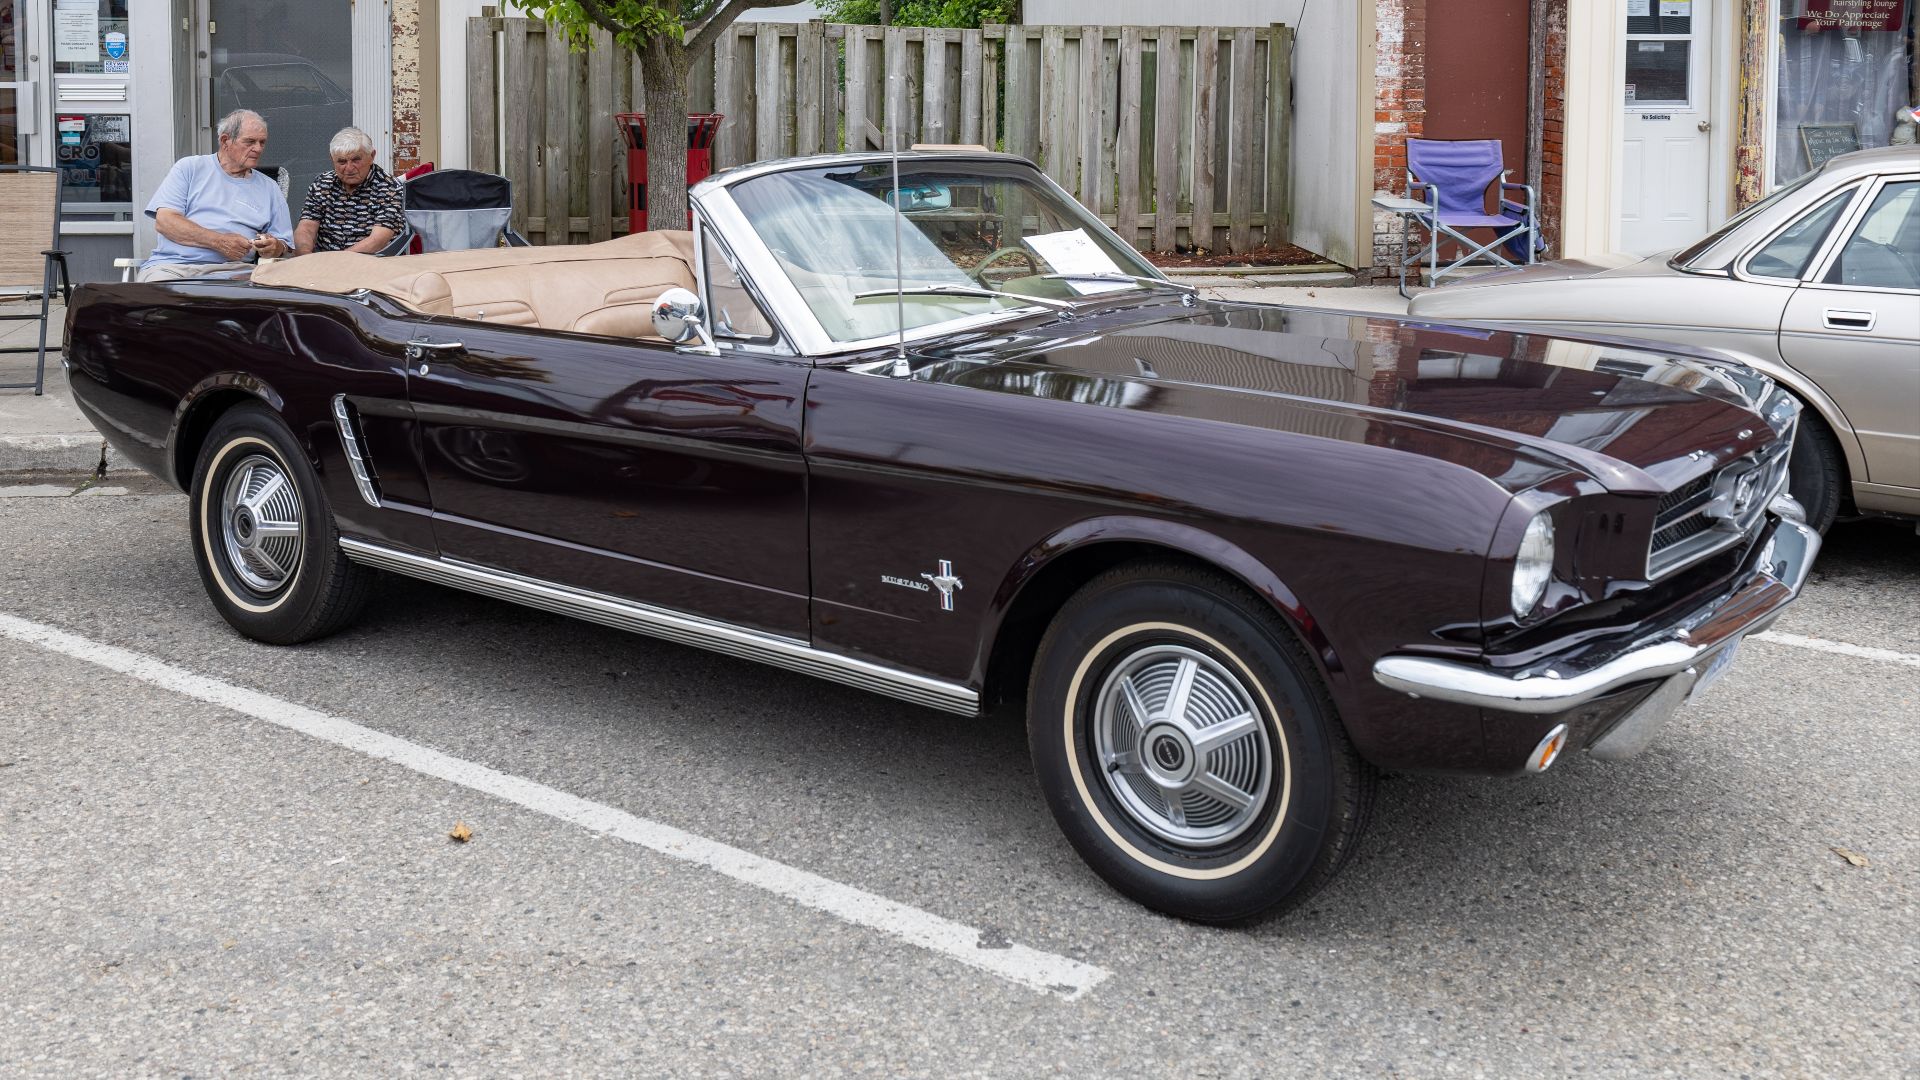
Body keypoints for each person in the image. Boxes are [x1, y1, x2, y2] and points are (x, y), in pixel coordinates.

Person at [139, 110, 292, 282]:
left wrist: (275, 246)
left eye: (262, 142)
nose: (258, 148)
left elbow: (284, 244)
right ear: (225, 141)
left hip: (236, 272)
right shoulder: (190, 168)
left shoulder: (270, 187)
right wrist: (219, 242)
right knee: (160, 300)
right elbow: (165, 222)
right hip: (174, 267)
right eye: (250, 142)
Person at [294, 128, 406, 256]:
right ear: (332, 159)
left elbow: (377, 240)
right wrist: (305, 256)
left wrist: (336, 262)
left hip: (373, 265)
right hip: (323, 264)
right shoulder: (322, 183)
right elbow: (306, 227)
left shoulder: (390, 188)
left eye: (356, 160)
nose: (349, 168)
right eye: (342, 161)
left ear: (372, 156)